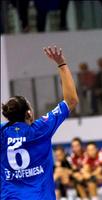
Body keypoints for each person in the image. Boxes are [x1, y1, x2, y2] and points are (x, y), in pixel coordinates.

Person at [0, 45, 79, 200]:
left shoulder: (2, 132)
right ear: (28, 113)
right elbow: (71, 101)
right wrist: (61, 64)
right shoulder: (41, 128)